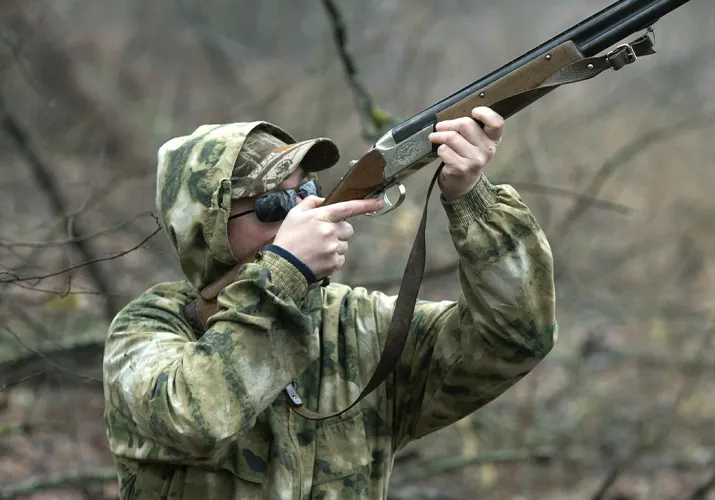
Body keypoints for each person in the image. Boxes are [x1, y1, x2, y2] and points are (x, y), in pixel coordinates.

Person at [101, 106, 557, 499]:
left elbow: (516, 338)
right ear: (208, 228)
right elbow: (194, 418)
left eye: (306, 192)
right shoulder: (148, 333)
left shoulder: (358, 327)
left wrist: (471, 197)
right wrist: (284, 273)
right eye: (275, 203)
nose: (304, 210)